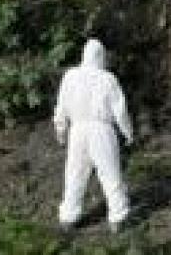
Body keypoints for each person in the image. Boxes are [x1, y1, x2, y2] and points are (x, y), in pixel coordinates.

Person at [53, 38, 133, 233]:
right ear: (101, 56)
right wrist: (127, 131)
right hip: (102, 131)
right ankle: (118, 217)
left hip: (77, 131)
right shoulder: (107, 79)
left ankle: (69, 217)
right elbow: (120, 110)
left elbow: (61, 107)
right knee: (110, 173)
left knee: (74, 174)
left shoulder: (70, 76)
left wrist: (61, 130)